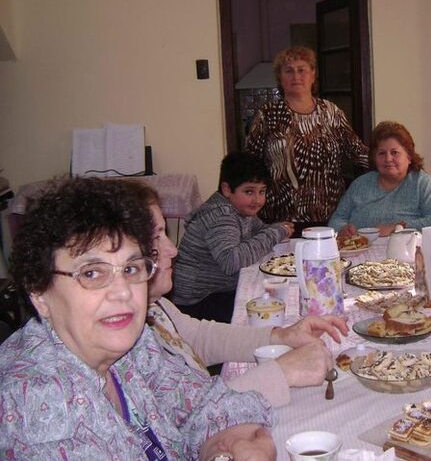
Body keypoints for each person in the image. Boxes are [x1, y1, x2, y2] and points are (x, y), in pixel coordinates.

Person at [0, 178, 276, 459]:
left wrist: (233, 443)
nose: (122, 293)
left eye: (131, 269)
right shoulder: (33, 405)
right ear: (39, 292)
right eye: (92, 273)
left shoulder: (132, 343)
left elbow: (200, 401)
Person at [131, 180, 347, 407]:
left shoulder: (155, 307)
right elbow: (188, 420)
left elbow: (196, 337)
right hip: (201, 298)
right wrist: (282, 372)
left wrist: (282, 336)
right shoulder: (126, 344)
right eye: (156, 237)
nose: (173, 250)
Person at [245, 45, 369, 231]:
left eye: (302, 70)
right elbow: (250, 163)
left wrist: (396, 165)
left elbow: (357, 152)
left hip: (331, 216)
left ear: (313, 74)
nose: (296, 76)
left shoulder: (331, 112)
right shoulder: (267, 115)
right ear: (280, 77)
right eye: (289, 70)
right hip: (281, 220)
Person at [173, 152, 293, 323]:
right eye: (249, 191)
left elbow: (261, 231)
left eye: (262, 191)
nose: (258, 200)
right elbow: (232, 260)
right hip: (196, 304)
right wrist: (276, 232)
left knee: (273, 295)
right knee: (268, 314)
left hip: (218, 291)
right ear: (227, 189)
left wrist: (273, 231)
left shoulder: (241, 209)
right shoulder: (221, 214)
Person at [328, 121, 431, 237]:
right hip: (359, 253)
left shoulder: (422, 183)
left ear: (409, 157)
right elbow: (336, 220)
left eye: (395, 152)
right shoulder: (360, 184)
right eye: (381, 153)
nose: (388, 159)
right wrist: (343, 229)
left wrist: (398, 228)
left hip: (406, 255)